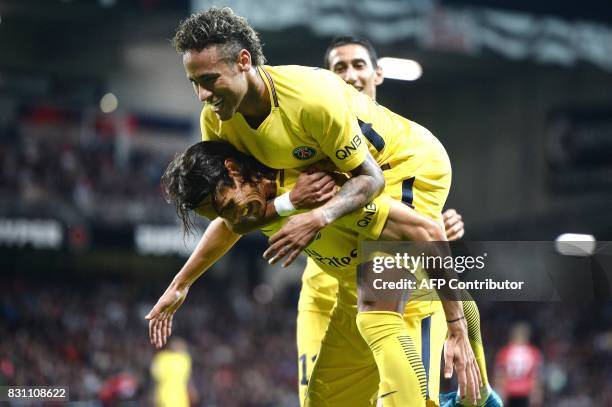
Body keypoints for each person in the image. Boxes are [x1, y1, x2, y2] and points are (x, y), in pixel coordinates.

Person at [149, 6, 482, 405]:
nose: (203, 95)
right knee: (326, 395)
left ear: (243, 62)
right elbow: (238, 215)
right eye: (193, 84)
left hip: (402, 167)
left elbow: (371, 181)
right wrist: (180, 283)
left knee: (379, 308)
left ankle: (462, 379)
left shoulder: (310, 101)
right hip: (329, 201)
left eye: (208, 80)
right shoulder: (219, 121)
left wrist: (315, 215)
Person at [149, 141, 467, 406]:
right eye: (221, 216)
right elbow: (227, 228)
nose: (233, 221)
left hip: (408, 294)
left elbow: (423, 229)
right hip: (350, 296)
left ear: (234, 173)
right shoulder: (249, 207)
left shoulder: (322, 189)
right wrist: (180, 284)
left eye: (227, 207)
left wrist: (457, 323)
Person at [321, 36, 501, 407]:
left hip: (397, 286)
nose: (351, 74)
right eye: (339, 67)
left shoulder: (407, 141)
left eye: (358, 65)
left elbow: (421, 225)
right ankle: (479, 397)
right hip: (333, 287)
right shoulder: (323, 136)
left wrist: (436, 223)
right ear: (327, 77)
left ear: (378, 74)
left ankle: (479, 397)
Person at [495, 323, 543, 407]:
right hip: (526, 390)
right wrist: (536, 394)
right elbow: (535, 376)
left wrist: (500, 392)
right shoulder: (533, 352)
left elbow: (500, 374)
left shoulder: (504, 352)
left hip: (509, 390)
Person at [150, 337, 195, 407]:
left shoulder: (161, 358)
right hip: (177, 397)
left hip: (167, 397)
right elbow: (188, 379)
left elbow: (154, 379)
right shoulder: (185, 359)